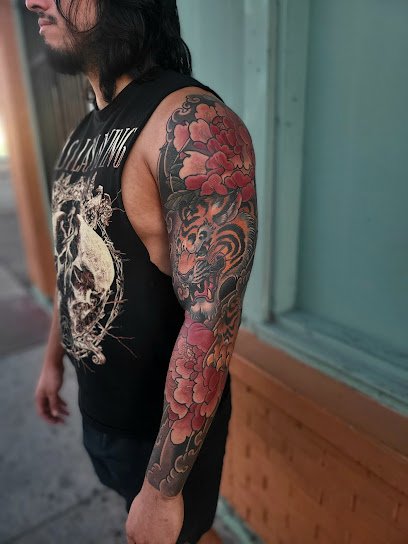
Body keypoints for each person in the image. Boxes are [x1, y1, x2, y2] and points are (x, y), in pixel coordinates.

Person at [26, 1, 258, 543]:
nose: (32, 1)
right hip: (99, 415)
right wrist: (52, 360)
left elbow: (211, 319)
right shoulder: (83, 130)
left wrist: (162, 490)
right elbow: (70, 262)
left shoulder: (191, 126)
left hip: (163, 448)